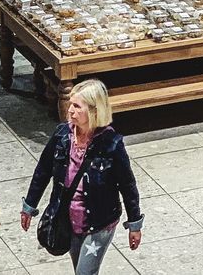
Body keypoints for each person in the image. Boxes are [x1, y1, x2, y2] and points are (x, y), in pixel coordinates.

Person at [21, 79, 144, 273]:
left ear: (94, 111)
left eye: (77, 106)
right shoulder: (62, 135)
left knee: (84, 273)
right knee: (80, 269)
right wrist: (29, 206)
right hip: (69, 218)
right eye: (71, 104)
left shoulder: (111, 144)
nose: (70, 110)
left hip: (99, 222)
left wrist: (134, 224)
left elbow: (128, 185)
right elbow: (43, 170)